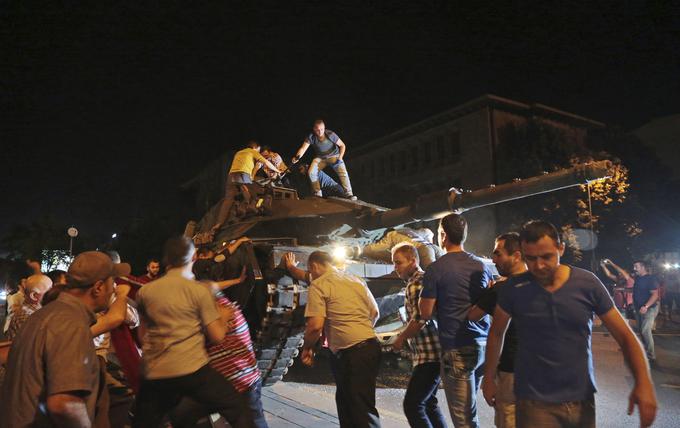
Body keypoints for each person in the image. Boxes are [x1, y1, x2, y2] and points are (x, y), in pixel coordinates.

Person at [482, 220, 657, 428]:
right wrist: (489, 379)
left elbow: (625, 336)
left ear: (561, 249)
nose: (538, 266)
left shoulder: (587, 284)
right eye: (531, 258)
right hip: (534, 403)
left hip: (581, 401)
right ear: (523, 254)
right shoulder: (514, 287)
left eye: (547, 257)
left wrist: (643, 382)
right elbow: (496, 333)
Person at [0, 251, 130, 427]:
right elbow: (64, 403)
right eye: (111, 283)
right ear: (98, 288)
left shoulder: (49, 314)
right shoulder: (71, 324)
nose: (114, 288)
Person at [133, 236, 243, 427]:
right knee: (238, 409)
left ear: (166, 259)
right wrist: (224, 316)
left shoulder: (145, 291)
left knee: (144, 422)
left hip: (155, 372)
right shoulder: (199, 291)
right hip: (192, 371)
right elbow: (217, 336)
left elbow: (142, 336)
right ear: (193, 257)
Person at [286, 251, 381, 427]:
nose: (310, 275)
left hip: (352, 353)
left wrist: (307, 348)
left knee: (357, 409)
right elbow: (375, 312)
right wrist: (292, 268)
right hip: (368, 347)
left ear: (314, 266)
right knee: (352, 404)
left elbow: (315, 326)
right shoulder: (355, 280)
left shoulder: (320, 285)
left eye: (310, 271)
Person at [419, 213, 491, 428]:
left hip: (457, 346)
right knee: (470, 412)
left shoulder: (436, 269)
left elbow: (425, 312)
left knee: (464, 420)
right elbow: (489, 298)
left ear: (442, 235)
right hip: (483, 346)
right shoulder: (481, 265)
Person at [170, 294, 267, 428]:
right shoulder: (215, 310)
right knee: (181, 413)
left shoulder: (219, 311)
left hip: (241, 384)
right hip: (220, 386)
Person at [467, 233, 526, 428]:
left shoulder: (501, 289)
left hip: (510, 370)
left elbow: (473, 316)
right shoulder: (540, 284)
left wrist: (489, 379)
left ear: (516, 256)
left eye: (498, 253)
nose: (493, 259)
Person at [391, 243, 446, 428]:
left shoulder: (416, 284)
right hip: (433, 353)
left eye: (398, 263)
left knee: (413, 405)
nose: (395, 268)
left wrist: (400, 338)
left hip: (429, 354)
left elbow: (420, 319)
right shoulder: (419, 281)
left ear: (413, 261)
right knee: (428, 403)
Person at [213, 140, 282, 232]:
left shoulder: (239, 153)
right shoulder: (253, 151)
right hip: (243, 174)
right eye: (259, 150)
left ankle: (218, 224)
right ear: (255, 147)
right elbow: (266, 163)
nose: (259, 152)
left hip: (231, 176)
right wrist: (278, 171)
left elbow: (253, 167)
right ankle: (257, 211)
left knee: (228, 200)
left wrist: (252, 176)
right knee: (258, 192)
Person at [292, 119, 355, 199]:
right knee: (311, 172)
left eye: (322, 129)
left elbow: (342, 145)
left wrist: (340, 158)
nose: (320, 132)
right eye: (318, 130)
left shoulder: (330, 134)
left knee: (343, 172)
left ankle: (349, 193)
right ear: (314, 129)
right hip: (321, 158)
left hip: (334, 156)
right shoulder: (311, 137)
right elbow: (303, 148)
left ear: (324, 128)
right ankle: (317, 193)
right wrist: (297, 157)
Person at [363, 227, 444, 268]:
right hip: (433, 247)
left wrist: (364, 249)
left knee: (433, 276)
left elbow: (378, 247)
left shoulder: (391, 235)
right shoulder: (407, 230)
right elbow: (428, 232)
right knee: (448, 269)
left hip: (422, 250)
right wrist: (429, 244)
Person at [6, 274, 52, 341]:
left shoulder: (35, 312)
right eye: (49, 291)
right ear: (33, 295)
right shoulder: (26, 316)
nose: (53, 293)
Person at [632, 260, 660, 363]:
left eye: (636, 266)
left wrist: (646, 306)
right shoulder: (638, 278)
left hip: (650, 308)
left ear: (643, 267)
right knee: (640, 330)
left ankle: (651, 355)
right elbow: (638, 292)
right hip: (639, 308)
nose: (634, 268)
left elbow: (655, 294)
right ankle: (644, 350)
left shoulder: (651, 279)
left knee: (645, 330)